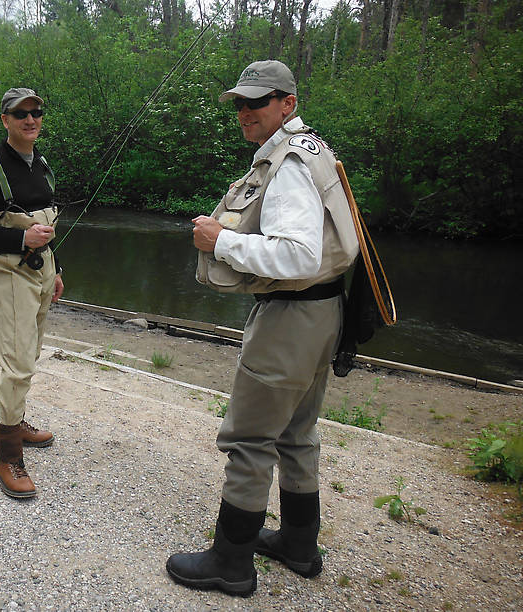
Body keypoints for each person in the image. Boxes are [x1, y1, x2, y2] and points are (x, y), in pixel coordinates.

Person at [166, 60, 359, 595]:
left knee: (251, 438)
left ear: (288, 104)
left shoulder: (289, 165)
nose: (245, 111)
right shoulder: (313, 149)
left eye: (258, 101)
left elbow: (298, 256)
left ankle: (231, 562)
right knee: (298, 432)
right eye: (240, 103)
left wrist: (219, 241)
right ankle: (299, 544)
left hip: (292, 317)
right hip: (325, 313)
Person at [0, 87, 64, 499]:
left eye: (36, 112)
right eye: (21, 114)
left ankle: (12, 417)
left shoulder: (40, 164)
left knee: (31, 351)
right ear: (5, 120)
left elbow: (46, 223)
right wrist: (22, 241)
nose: (30, 119)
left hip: (42, 268)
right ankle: (7, 453)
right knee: (18, 360)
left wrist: (57, 269)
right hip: (8, 269)